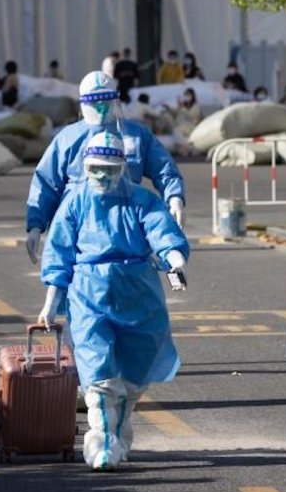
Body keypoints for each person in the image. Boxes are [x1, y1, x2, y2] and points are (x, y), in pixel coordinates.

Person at [37, 131, 189, 470]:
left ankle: (119, 431)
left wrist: (174, 259)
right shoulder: (75, 202)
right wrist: (51, 299)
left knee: (134, 376)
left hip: (138, 294)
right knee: (99, 374)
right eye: (94, 169)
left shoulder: (142, 200)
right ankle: (102, 443)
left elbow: (160, 229)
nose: (102, 176)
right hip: (89, 295)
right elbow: (59, 251)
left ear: (123, 166)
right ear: (85, 167)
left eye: (109, 168)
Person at [25, 71, 186, 264]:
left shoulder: (136, 135)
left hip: (126, 226)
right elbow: (46, 182)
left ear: (115, 100)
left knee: (129, 279)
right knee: (76, 284)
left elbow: (164, 168)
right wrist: (36, 224)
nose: (101, 108)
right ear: (83, 104)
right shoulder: (68, 138)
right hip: (78, 226)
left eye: (105, 101)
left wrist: (174, 197)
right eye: (95, 103)